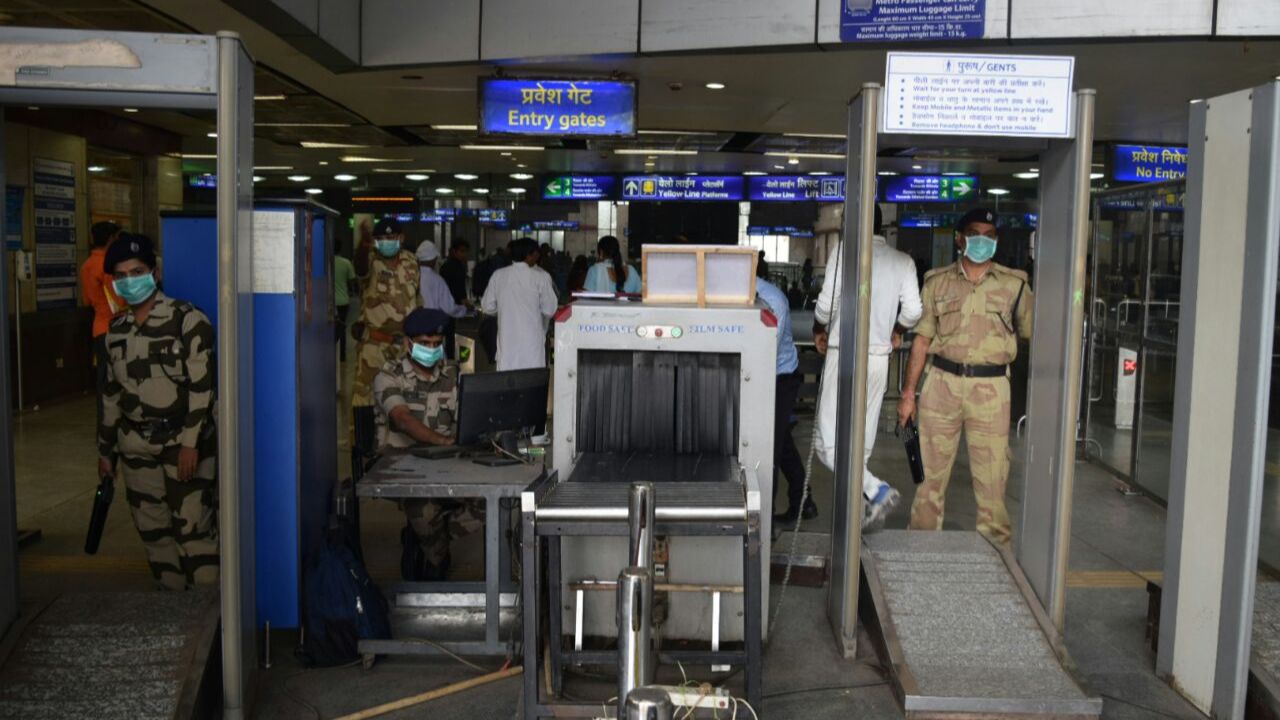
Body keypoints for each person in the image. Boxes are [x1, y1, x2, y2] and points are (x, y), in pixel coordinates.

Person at [897, 209, 1033, 545]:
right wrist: (908, 394)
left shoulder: (1015, 285)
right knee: (929, 478)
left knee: (992, 479)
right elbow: (922, 340)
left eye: (990, 235)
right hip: (941, 384)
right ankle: (922, 552)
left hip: (991, 389)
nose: (983, 241)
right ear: (960, 238)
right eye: (976, 233)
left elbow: (1033, 336)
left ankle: (996, 557)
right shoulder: (936, 281)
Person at [96, 233, 218, 590]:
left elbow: (203, 389)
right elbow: (111, 395)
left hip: (182, 444)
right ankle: (174, 612)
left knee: (194, 533)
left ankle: (210, 626)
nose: (129, 281)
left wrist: (191, 445)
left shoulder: (187, 320)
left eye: (137, 271)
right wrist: (106, 452)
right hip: (135, 448)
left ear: (155, 272)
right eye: (121, 276)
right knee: (154, 534)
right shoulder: (116, 331)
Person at [815, 204, 923, 530]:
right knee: (859, 445)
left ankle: (875, 490)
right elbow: (914, 311)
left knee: (826, 445)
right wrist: (897, 330)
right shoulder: (902, 261)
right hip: (878, 359)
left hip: (844, 353)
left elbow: (826, 304)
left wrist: (820, 327)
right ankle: (861, 509)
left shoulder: (844, 252)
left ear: (851, 224)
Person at [373, 307, 480, 580]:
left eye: (436, 344)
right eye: (424, 344)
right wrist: (443, 440)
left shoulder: (452, 376)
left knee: (494, 503)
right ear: (408, 343)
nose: (431, 349)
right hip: (402, 467)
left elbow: (468, 417)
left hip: (447, 465)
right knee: (425, 509)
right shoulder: (389, 376)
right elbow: (402, 419)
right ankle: (435, 562)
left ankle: (427, 540)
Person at [352, 218, 420, 461]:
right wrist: (364, 245)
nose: (387, 243)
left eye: (392, 238)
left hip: (404, 346)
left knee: (405, 398)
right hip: (374, 345)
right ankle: (366, 455)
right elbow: (360, 269)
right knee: (366, 399)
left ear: (401, 238)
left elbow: (416, 300)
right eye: (382, 240)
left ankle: (401, 453)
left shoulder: (412, 261)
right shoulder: (370, 259)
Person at [756, 258, 811, 527]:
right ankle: (804, 501)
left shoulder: (772, 299)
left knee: (771, 448)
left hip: (780, 377)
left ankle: (765, 519)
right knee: (782, 441)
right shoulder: (737, 295)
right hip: (761, 376)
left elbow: (768, 349)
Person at [480, 238, 558, 371]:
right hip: (531, 347)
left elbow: (487, 307)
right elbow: (550, 310)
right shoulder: (541, 277)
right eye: (535, 253)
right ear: (528, 255)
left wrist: (503, 309)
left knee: (507, 386)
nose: (537, 256)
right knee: (531, 385)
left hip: (507, 346)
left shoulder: (498, 275)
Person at [81, 221, 122, 423]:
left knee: (102, 381)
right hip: (114, 327)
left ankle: (103, 427)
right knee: (114, 381)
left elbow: (86, 300)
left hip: (98, 327)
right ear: (110, 239)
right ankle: (111, 427)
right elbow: (119, 299)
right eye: (116, 238)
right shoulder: (107, 265)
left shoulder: (87, 265)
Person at [417, 241, 468, 359]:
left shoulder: (410, 277)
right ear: (433, 259)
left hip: (414, 330)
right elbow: (449, 307)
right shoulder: (437, 280)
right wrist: (463, 310)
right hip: (433, 330)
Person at [333, 249, 357, 361]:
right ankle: (342, 355)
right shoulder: (346, 262)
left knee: (329, 328)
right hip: (343, 301)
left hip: (330, 301)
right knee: (342, 328)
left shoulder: (328, 262)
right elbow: (352, 280)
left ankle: (330, 352)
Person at [440, 239, 470, 304]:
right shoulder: (451, 267)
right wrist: (463, 300)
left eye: (466, 251)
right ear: (454, 251)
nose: (464, 254)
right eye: (462, 251)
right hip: (452, 302)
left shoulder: (458, 265)